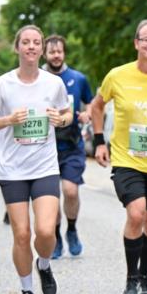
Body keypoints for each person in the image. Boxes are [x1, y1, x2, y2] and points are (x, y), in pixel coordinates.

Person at [0, 25, 72, 294]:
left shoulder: (53, 83)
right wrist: (7, 119)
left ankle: (43, 264)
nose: (31, 47)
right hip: (12, 170)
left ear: (42, 49)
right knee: (21, 234)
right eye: (26, 42)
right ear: (17, 48)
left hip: (44, 167)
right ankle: (27, 290)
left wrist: (62, 119)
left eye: (36, 43)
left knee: (45, 231)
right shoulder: (2, 85)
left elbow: (67, 113)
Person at [91, 19, 147, 294]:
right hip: (127, 159)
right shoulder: (117, 75)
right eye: (146, 39)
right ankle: (130, 281)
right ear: (136, 43)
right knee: (136, 214)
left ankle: (144, 276)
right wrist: (99, 140)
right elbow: (97, 106)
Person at [42, 35, 94, 258]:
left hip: (72, 145)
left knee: (70, 191)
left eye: (59, 51)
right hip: (44, 148)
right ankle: (55, 237)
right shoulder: (38, 78)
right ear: (45, 54)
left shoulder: (77, 78)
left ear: (64, 53)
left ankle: (71, 229)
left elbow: (90, 103)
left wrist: (86, 114)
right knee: (52, 197)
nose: (56, 55)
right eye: (52, 52)